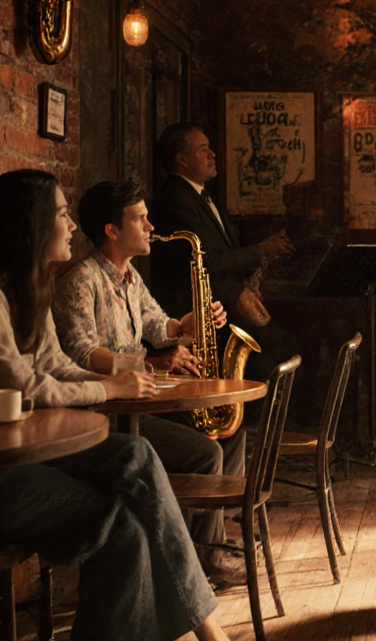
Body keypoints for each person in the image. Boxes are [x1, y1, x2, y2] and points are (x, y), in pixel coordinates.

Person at [0, 169, 231, 641]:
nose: (73, 225)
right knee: (123, 529)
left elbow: (57, 365)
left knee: (134, 454)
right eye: (61, 213)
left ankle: (205, 627)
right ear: (31, 225)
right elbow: (27, 385)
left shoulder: (26, 290)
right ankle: (207, 628)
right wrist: (110, 389)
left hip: (10, 454)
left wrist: (124, 378)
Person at [53, 179, 246, 588]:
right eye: (139, 218)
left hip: (137, 401)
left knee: (231, 433)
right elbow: (81, 352)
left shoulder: (130, 277)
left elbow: (160, 325)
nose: (149, 225)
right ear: (112, 229)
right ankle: (194, 566)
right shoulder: (81, 279)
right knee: (205, 452)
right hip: (103, 412)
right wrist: (154, 360)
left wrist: (190, 323)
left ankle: (196, 549)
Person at [148, 121, 298, 384]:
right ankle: (251, 421)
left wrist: (249, 283)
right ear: (181, 160)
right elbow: (203, 260)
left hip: (224, 306)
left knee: (282, 347)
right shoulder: (174, 198)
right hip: (207, 313)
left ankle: (255, 419)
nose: (212, 154)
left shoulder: (199, 194)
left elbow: (222, 252)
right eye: (203, 149)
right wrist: (262, 250)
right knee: (278, 349)